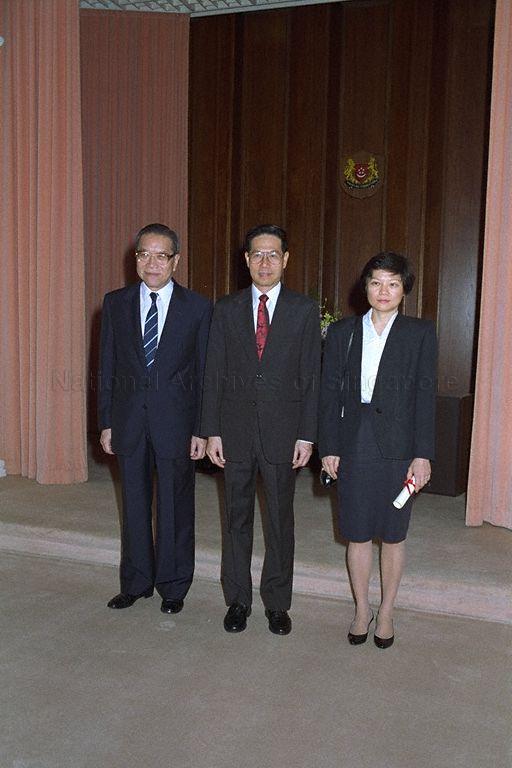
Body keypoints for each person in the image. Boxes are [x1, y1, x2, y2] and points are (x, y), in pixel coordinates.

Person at [201, 224, 321, 635]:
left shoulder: (304, 311)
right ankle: (238, 600)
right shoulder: (227, 308)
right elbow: (213, 373)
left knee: (279, 521)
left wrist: (307, 434)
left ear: (286, 259)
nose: (265, 262)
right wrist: (210, 430)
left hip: (283, 435)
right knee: (235, 518)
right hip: (233, 433)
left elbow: (311, 377)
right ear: (246, 260)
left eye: (273, 255)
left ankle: (277, 603)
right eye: (257, 255)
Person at [319, 252, 437, 648]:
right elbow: (328, 394)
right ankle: (361, 608)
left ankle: (386, 611)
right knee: (356, 533)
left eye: (392, 283)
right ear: (364, 287)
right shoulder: (342, 333)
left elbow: (425, 398)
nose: (383, 291)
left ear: (404, 290)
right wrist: (329, 447)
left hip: (399, 447)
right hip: (353, 443)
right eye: (375, 282)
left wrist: (423, 455)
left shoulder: (419, 333)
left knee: (392, 534)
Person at [98, 223, 212, 614]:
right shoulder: (115, 303)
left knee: (175, 507)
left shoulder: (197, 308)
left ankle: (174, 586)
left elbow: (204, 374)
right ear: (135, 259)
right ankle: (135, 582)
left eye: (161, 255)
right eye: (144, 254)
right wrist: (106, 422)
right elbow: (108, 365)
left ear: (175, 261)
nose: (151, 262)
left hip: (177, 425)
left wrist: (202, 428)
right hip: (129, 421)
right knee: (133, 504)